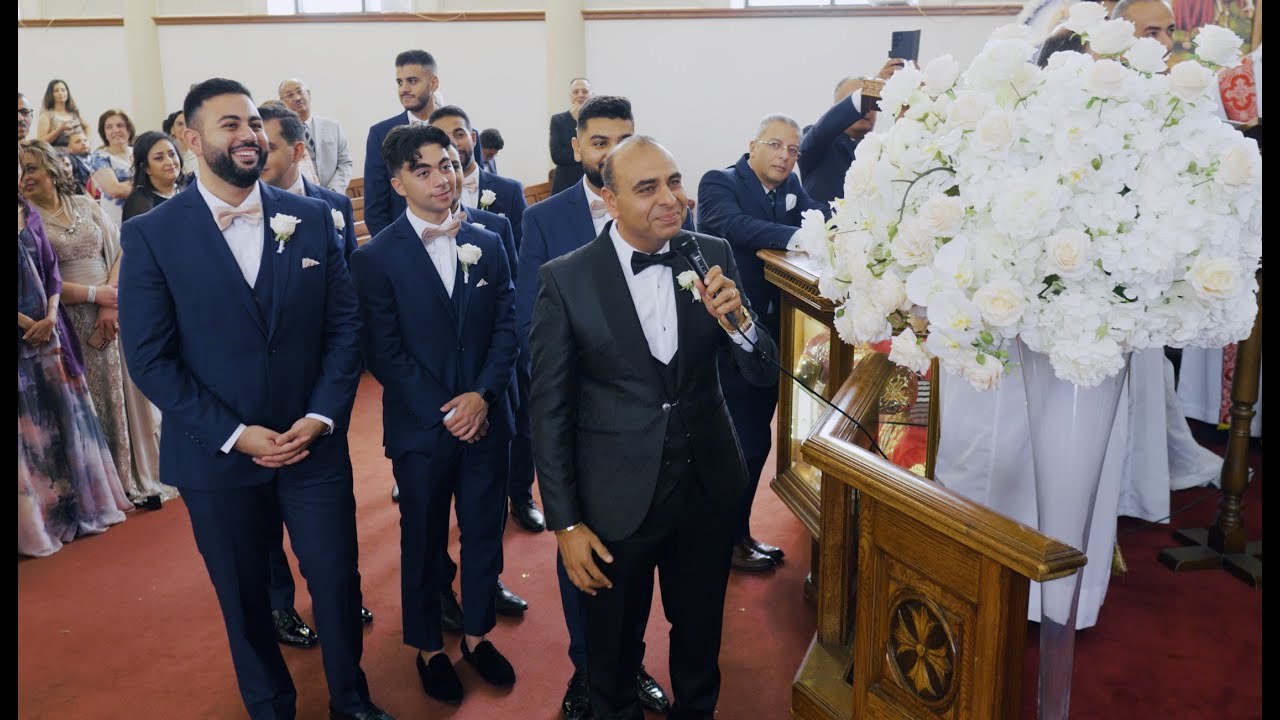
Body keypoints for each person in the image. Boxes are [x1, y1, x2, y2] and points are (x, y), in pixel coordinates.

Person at [118, 78, 389, 720]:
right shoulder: (152, 234)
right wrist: (235, 434)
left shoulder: (313, 218)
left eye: (254, 124)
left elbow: (344, 327)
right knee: (243, 595)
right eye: (230, 125)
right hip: (215, 455)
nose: (249, 136)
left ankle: (351, 699)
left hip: (311, 444)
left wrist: (320, 416)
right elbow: (150, 357)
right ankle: (270, 705)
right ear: (192, 140)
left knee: (336, 578)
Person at [532, 135, 778, 719]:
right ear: (610, 200)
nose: (671, 198)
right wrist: (565, 523)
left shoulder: (711, 252)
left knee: (700, 642)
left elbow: (762, 370)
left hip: (707, 489)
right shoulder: (566, 279)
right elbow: (549, 412)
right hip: (616, 501)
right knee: (613, 656)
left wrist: (740, 324)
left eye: (673, 181)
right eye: (647, 188)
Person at [349, 124, 519, 708]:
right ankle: (428, 647)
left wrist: (483, 396)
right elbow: (384, 351)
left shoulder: (488, 241)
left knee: (484, 531)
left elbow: (507, 325)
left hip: (486, 418)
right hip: (422, 429)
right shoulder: (375, 257)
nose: (441, 178)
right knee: (422, 537)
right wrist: (447, 411)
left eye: (447, 164)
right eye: (422, 170)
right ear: (398, 182)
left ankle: (477, 635)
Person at [516, 95, 675, 720]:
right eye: (600, 140)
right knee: (585, 564)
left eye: (624, 138)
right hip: (584, 422)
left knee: (635, 571)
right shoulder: (544, 219)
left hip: (645, 423)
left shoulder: (661, 213)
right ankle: (588, 670)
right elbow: (530, 320)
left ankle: (627, 667)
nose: (612, 149)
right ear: (577, 146)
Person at [256, 100, 373, 647]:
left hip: (318, 384)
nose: (256, 152)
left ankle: (337, 595)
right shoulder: (238, 210)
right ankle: (280, 603)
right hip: (257, 393)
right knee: (263, 514)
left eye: (269, 144)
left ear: (298, 150)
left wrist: (332, 391)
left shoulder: (331, 205)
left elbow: (344, 293)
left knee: (329, 513)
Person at [697, 114, 827, 572]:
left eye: (793, 150)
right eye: (775, 145)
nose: (785, 156)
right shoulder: (719, 181)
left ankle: (735, 535)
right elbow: (733, 226)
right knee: (741, 443)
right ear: (752, 145)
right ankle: (722, 541)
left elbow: (819, 215)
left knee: (755, 443)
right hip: (730, 336)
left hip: (776, 338)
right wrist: (799, 236)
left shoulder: (791, 187)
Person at [22, 139, 170, 506]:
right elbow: (44, 280)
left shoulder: (85, 204)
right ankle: (111, 483)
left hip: (112, 311)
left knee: (129, 391)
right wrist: (94, 295)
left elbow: (120, 252)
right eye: (21, 171)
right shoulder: (28, 220)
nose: (25, 177)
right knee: (92, 399)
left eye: (32, 168)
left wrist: (110, 301)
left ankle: (144, 471)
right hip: (69, 318)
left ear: (52, 168)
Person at [19, 155, 132, 557]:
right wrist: (29, 321)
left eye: (27, 167)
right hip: (35, 330)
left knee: (72, 414)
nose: (24, 175)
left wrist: (52, 315)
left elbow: (52, 271)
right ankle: (44, 518)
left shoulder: (36, 214)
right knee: (36, 429)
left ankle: (89, 499)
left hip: (59, 326)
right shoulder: (33, 213)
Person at [798, 60, 902, 206]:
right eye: (862, 100)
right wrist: (873, 87)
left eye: (872, 101)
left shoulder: (884, 149)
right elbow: (824, 127)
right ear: (836, 109)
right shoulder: (816, 142)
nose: (866, 108)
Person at [364, 50, 441, 238]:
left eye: (412, 81)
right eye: (400, 82)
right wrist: (394, 248)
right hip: (404, 241)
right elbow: (375, 208)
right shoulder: (380, 134)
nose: (404, 89)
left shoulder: (458, 130)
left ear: (433, 83)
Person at [430, 105, 527, 249]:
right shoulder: (426, 193)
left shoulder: (510, 190)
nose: (453, 143)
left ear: (474, 138)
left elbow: (524, 246)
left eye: (459, 134)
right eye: (443, 138)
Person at [279, 78, 354, 194]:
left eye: (300, 91)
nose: (297, 98)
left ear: (308, 94)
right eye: (290, 95)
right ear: (282, 102)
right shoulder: (282, 135)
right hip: (303, 198)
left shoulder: (332, 127)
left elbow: (345, 163)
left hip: (336, 195)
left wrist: (333, 190)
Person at [122, 131, 185, 222]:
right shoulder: (140, 202)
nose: (170, 162)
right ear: (146, 168)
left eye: (172, 154)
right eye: (159, 158)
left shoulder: (186, 190)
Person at [88, 109, 136, 226]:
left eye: (120, 125)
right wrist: (148, 185)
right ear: (104, 133)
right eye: (109, 127)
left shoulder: (138, 151)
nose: (115, 130)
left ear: (129, 129)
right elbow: (115, 190)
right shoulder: (99, 156)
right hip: (118, 219)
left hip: (146, 213)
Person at [549, 78, 592, 194]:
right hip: (565, 182)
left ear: (591, 94)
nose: (580, 95)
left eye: (585, 91)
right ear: (570, 95)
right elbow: (557, 156)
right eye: (576, 92)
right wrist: (586, 154)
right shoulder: (558, 120)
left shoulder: (598, 121)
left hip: (592, 180)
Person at [36, 79, 87, 149]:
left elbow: (87, 127)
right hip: (56, 154)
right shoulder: (46, 116)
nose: (61, 93)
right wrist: (60, 130)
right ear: (51, 95)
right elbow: (40, 142)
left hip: (79, 154)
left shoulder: (74, 113)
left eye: (63, 90)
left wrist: (87, 142)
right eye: (56, 91)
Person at [163, 110, 200, 184]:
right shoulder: (166, 156)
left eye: (188, 123)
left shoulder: (201, 154)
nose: (185, 128)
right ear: (172, 130)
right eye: (180, 124)